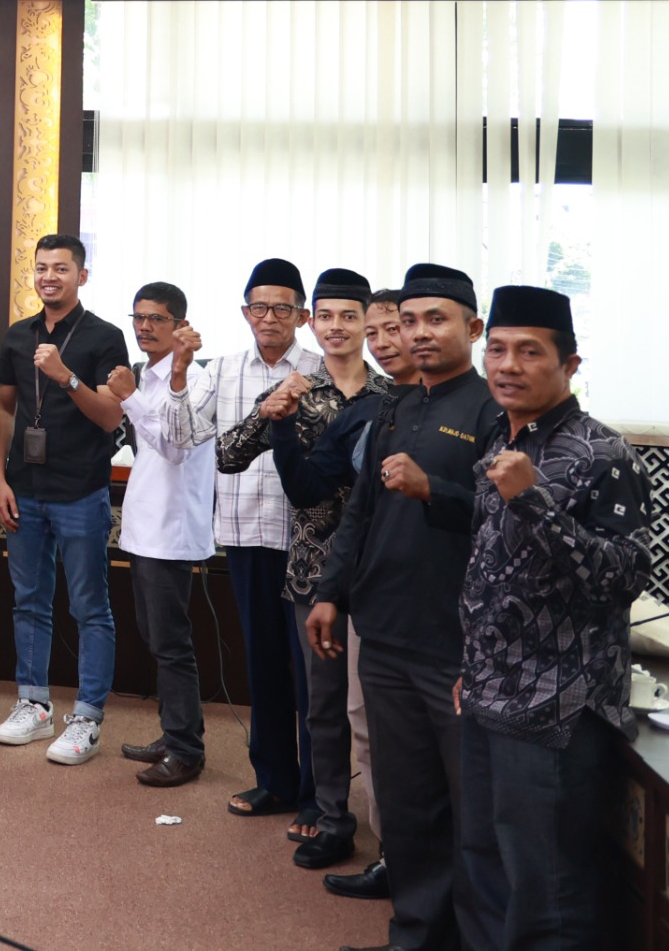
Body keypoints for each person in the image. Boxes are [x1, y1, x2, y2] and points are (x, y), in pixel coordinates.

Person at [307, 263, 501, 951]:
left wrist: (434, 491)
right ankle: (414, 936)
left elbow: (511, 523)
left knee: (471, 810)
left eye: (435, 320)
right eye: (409, 320)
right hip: (384, 631)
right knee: (407, 803)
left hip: (455, 642)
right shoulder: (395, 403)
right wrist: (331, 592)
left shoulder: (493, 409)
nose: (419, 333)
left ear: (473, 329)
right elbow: (360, 511)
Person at [456, 286, 648, 950]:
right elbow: (490, 568)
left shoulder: (606, 454)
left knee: (547, 892)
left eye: (530, 352)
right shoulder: (499, 434)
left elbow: (622, 579)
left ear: (569, 365)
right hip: (489, 691)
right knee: (484, 865)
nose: (508, 365)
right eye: (498, 350)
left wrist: (533, 501)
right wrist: (473, 666)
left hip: (555, 707)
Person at [217, 267, 390, 868]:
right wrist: (271, 412)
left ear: (368, 323)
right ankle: (325, 810)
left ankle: (376, 824)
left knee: (371, 708)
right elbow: (227, 456)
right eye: (327, 316)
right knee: (320, 699)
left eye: (350, 316)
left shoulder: (392, 397)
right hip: (312, 569)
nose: (338, 327)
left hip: (379, 572)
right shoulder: (299, 393)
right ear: (311, 322)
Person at [166, 257, 325, 833]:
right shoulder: (223, 370)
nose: (270, 317)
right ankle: (274, 781)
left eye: (283, 308)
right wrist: (180, 371)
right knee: (263, 664)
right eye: (260, 307)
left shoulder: (322, 370)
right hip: (245, 534)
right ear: (244, 312)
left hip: (309, 543)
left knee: (312, 676)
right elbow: (183, 436)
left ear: (302, 316)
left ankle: (319, 796)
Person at [0, 233, 128, 764]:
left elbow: (111, 417)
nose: (49, 277)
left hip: (80, 491)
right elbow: (5, 409)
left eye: (61, 269)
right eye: (42, 268)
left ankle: (87, 717)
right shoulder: (18, 335)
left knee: (90, 607)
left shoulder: (105, 337)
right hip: (23, 489)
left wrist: (65, 376)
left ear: (82, 276)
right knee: (28, 600)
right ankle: (34, 703)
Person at [325, 287, 418, 903]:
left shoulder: (478, 409)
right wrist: (333, 590)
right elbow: (356, 510)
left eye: (397, 328)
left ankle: (421, 868)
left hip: (434, 609)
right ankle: (392, 855)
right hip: (369, 593)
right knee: (364, 726)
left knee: (421, 746)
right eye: (377, 331)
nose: (384, 342)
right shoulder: (383, 407)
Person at [111, 282, 214, 786]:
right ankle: (174, 734)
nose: (145, 327)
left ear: (181, 325)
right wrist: (135, 394)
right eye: (139, 317)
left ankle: (187, 750)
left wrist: (130, 400)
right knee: (155, 638)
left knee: (171, 643)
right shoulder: (146, 375)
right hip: (144, 527)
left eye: (157, 318)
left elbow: (174, 448)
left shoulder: (197, 379)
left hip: (171, 530)